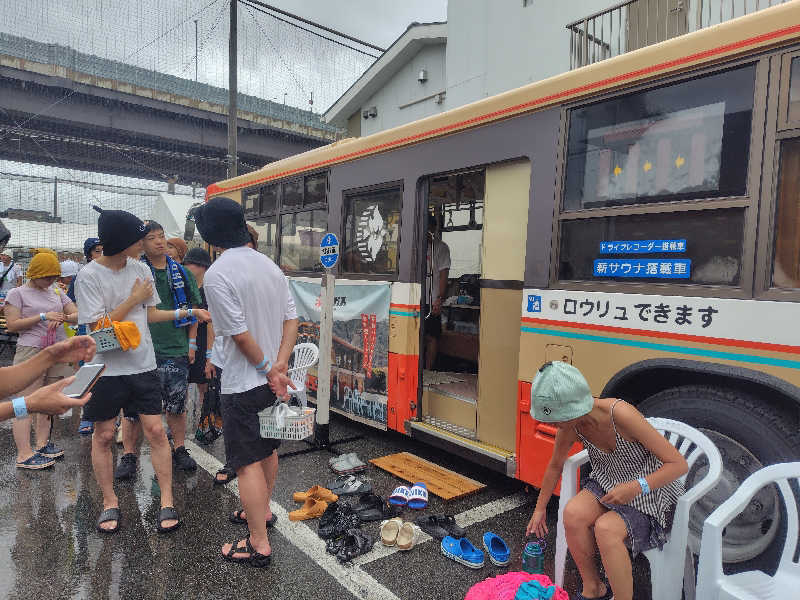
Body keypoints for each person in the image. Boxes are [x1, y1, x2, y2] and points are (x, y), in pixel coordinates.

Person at [75, 206, 210, 534]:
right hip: (105, 369)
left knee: (155, 430)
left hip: (143, 365)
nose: (145, 244)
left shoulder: (141, 269)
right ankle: (110, 502)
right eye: (139, 238)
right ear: (121, 241)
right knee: (104, 435)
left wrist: (188, 311)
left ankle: (167, 500)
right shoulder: (89, 276)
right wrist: (134, 298)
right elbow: (98, 327)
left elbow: (150, 315)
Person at [525, 362, 688, 600]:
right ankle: (594, 589)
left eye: (556, 419)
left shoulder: (621, 415)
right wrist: (539, 509)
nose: (553, 425)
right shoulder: (572, 426)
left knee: (606, 529)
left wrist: (636, 487)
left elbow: (678, 464)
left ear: (574, 409)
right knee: (573, 514)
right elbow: (555, 466)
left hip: (651, 491)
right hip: (609, 482)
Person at [195, 196, 297, 568]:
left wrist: (270, 368)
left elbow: (238, 334)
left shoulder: (219, 273)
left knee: (245, 462)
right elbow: (291, 319)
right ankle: (262, 513)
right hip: (271, 381)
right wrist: (281, 364)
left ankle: (257, 542)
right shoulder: (268, 266)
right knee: (267, 449)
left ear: (212, 235)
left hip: (244, 383)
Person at [115, 221, 204, 478]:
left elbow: (194, 313)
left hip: (175, 347)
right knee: (133, 409)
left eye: (161, 235)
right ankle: (130, 455)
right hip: (139, 348)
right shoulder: (134, 272)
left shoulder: (182, 273)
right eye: (152, 237)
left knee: (177, 405)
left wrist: (191, 344)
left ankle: (180, 449)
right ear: (140, 244)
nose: (159, 241)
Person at [4, 250, 79, 469]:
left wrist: (64, 317)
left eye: (54, 276)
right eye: (47, 276)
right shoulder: (17, 293)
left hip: (56, 350)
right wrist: (43, 317)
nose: (51, 281)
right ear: (34, 274)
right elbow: (12, 325)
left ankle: (41, 444)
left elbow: (75, 312)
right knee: (24, 402)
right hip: (31, 350)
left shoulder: (56, 291)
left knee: (48, 399)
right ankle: (23, 453)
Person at [182, 247, 215, 425]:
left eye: (190, 264)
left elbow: (211, 323)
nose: (186, 267)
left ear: (202, 266)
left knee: (204, 383)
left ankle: (205, 420)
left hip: (203, 340)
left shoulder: (210, 289)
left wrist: (210, 355)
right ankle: (182, 418)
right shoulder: (186, 288)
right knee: (183, 382)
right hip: (186, 338)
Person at [424, 213, 450, 370]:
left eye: (429, 228)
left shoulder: (441, 248)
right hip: (416, 299)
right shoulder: (417, 246)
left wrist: (439, 298)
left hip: (432, 299)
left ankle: (428, 370)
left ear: (433, 228)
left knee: (432, 337)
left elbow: (443, 275)